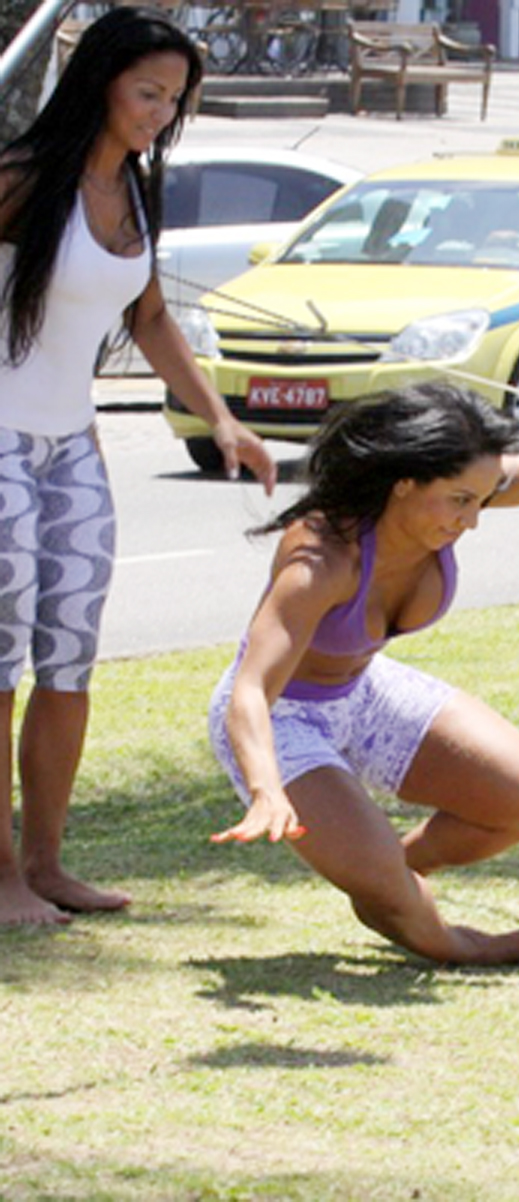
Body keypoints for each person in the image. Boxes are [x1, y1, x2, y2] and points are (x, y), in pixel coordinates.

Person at [208, 317, 519, 969]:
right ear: (403, 482)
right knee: (425, 930)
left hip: (365, 691)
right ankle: (458, 939)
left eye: (481, 499)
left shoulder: (455, 492)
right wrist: (267, 786)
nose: (472, 520)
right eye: (459, 501)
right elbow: (250, 688)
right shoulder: (322, 558)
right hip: (282, 719)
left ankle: (390, 873)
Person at [0, 6, 276, 927]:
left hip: (72, 447)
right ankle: (0, 875)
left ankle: (45, 864)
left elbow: (151, 320)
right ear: (100, 84)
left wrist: (223, 421)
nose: (160, 112)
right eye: (146, 91)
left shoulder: (136, 194)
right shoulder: (24, 180)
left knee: (68, 662)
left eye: (175, 99)